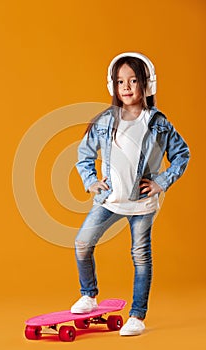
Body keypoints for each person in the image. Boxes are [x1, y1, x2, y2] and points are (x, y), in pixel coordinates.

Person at [70, 52, 190, 336]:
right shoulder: (104, 121)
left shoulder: (158, 122)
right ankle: (89, 294)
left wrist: (162, 181)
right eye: (120, 81)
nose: (126, 86)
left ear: (147, 84)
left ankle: (137, 315)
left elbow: (182, 154)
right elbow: (84, 155)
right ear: (113, 86)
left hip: (142, 204)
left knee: (140, 256)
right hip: (111, 200)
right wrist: (90, 181)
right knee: (82, 243)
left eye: (133, 80)